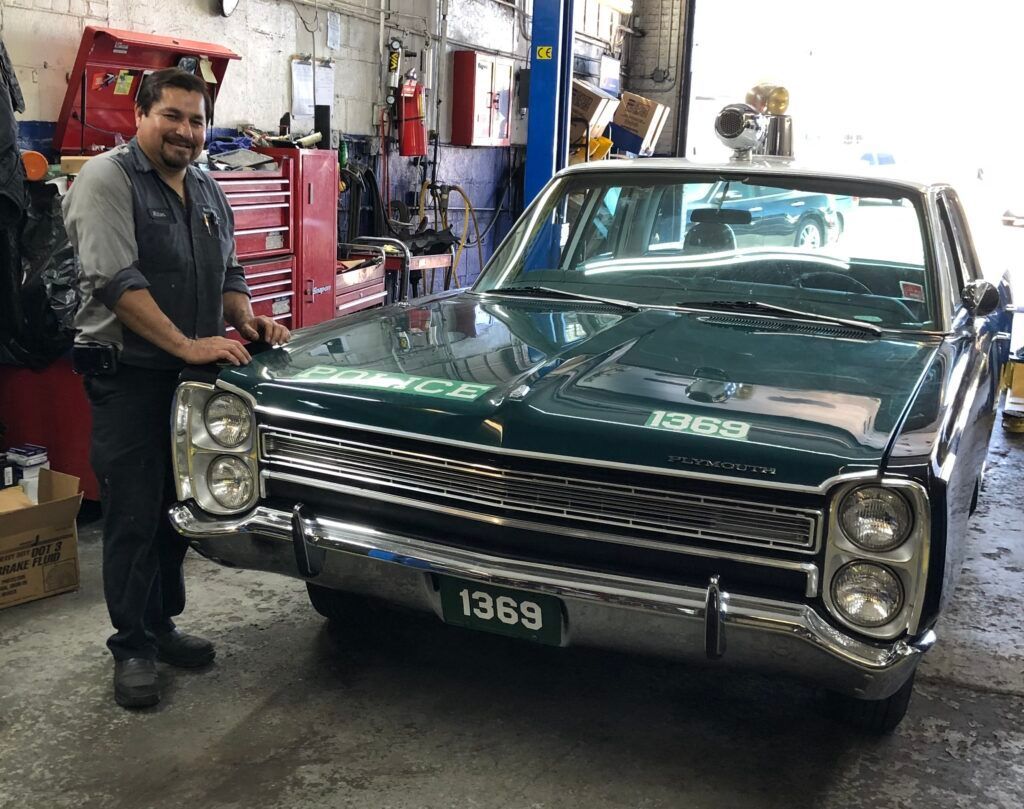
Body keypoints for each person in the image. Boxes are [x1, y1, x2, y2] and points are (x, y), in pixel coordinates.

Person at [63, 68, 291, 709]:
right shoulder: (106, 180)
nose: (186, 132)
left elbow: (231, 267)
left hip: (190, 381)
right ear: (139, 115)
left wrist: (245, 317)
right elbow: (115, 282)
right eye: (172, 116)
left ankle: (161, 627)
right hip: (129, 377)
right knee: (133, 513)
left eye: (196, 120)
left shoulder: (207, 187)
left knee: (177, 509)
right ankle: (131, 646)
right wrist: (191, 344)